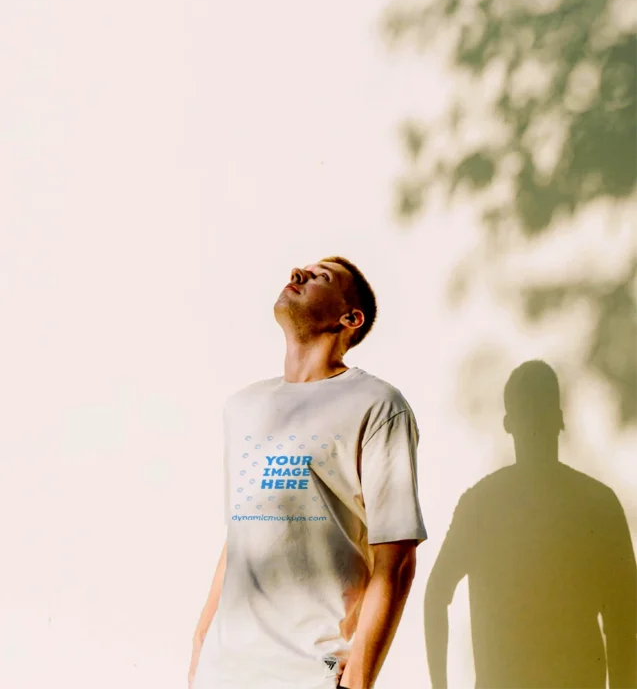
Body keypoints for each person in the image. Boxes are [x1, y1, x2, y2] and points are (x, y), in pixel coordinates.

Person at [189, 256, 427, 689]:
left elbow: (396, 560)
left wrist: (358, 679)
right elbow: (240, 536)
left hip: (308, 673)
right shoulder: (243, 408)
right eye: (300, 271)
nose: (297, 275)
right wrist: (200, 646)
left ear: (349, 318)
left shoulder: (377, 405)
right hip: (222, 673)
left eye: (321, 278)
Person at [424, 360, 637, 689]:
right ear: (561, 419)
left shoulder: (482, 503)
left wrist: (440, 686)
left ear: (509, 423)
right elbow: (622, 623)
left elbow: (437, 594)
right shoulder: (598, 504)